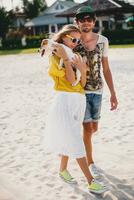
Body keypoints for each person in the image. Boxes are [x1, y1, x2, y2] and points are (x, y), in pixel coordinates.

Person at [44, 24, 107, 194]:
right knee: (75, 140)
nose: (75, 43)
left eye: (77, 40)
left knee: (70, 137)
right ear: (63, 36)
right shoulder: (59, 54)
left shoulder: (74, 55)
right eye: (73, 39)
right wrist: (65, 59)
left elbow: (82, 83)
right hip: (65, 101)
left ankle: (63, 170)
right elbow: (71, 82)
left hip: (78, 100)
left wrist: (81, 69)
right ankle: (91, 181)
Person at [74, 6, 118, 177]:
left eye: (89, 19)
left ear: (93, 21)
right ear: (77, 22)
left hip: (98, 90)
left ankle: (83, 148)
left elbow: (106, 69)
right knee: (86, 128)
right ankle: (90, 161)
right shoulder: (73, 42)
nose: (86, 22)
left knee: (93, 128)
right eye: (82, 19)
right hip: (80, 92)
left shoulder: (103, 40)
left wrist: (113, 93)